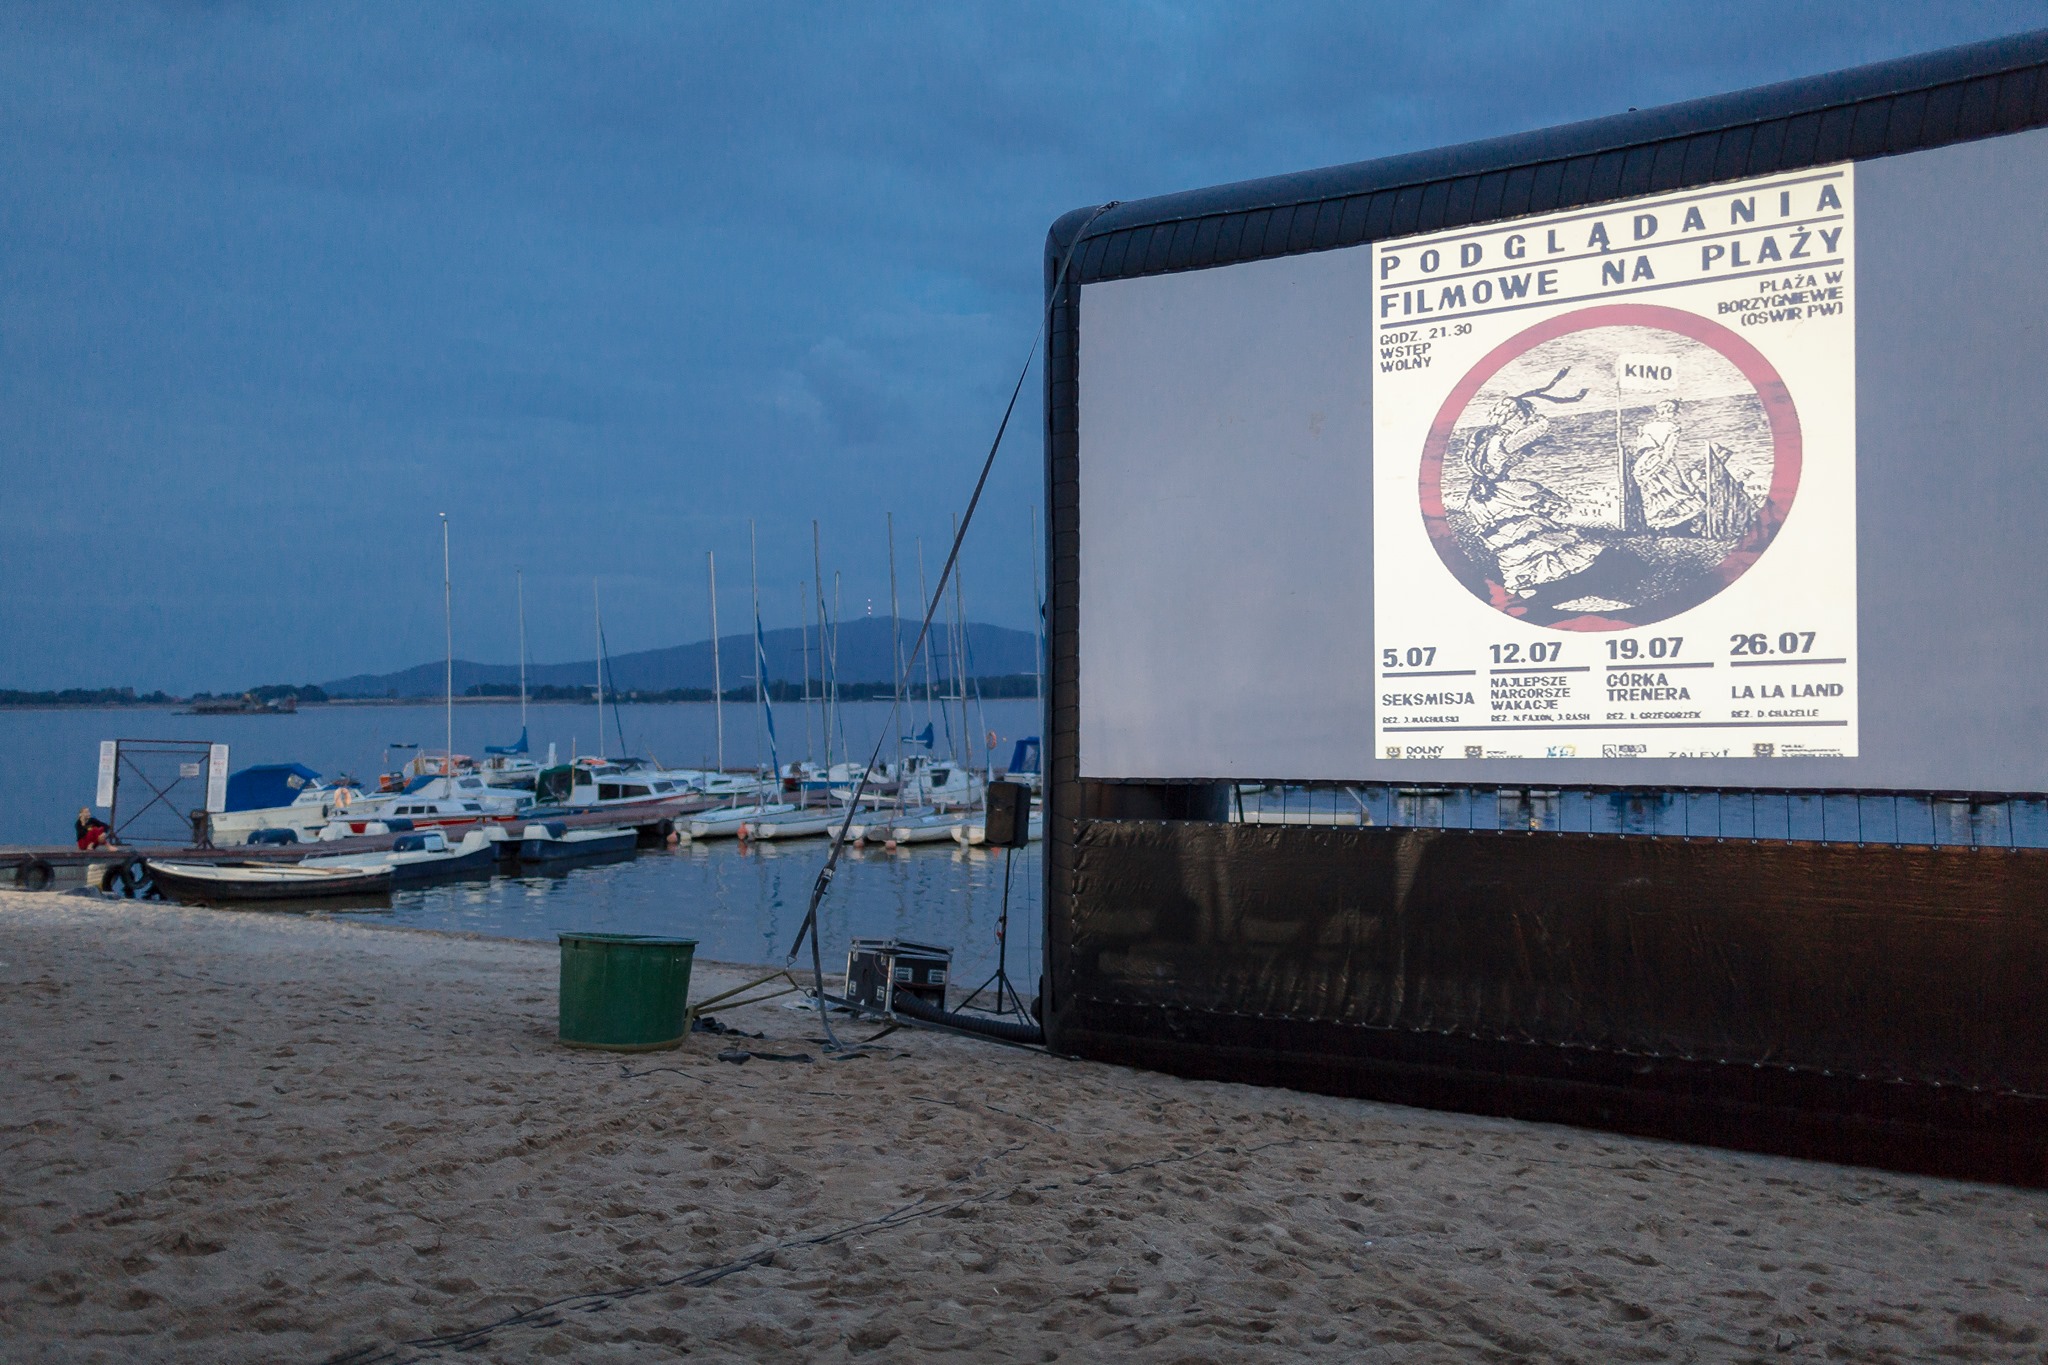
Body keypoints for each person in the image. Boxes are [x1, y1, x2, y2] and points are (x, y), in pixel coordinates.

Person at [1464, 368, 1605, 600]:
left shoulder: (1480, 437)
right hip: (1500, 494)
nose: (1523, 421)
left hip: (1479, 498)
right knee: (1529, 536)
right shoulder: (1503, 440)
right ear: (1515, 416)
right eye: (1522, 417)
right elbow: (1538, 429)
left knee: (1510, 544)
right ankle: (1535, 584)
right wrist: (1538, 419)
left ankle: (1521, 583)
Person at [1630, 399, 1707, 532]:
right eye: (1675, 412)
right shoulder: (1672, 427)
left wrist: (1649, 468)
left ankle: (1659, 523)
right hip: (1662, 461)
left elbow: (1641, 449)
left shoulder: (1646, 427)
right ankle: (1678, 522)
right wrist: (1661, 466)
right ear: (1669, 411)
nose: (1675, 415)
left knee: (1655, 493)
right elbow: (1669, 452)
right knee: (1678, 490)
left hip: (1644, 463)